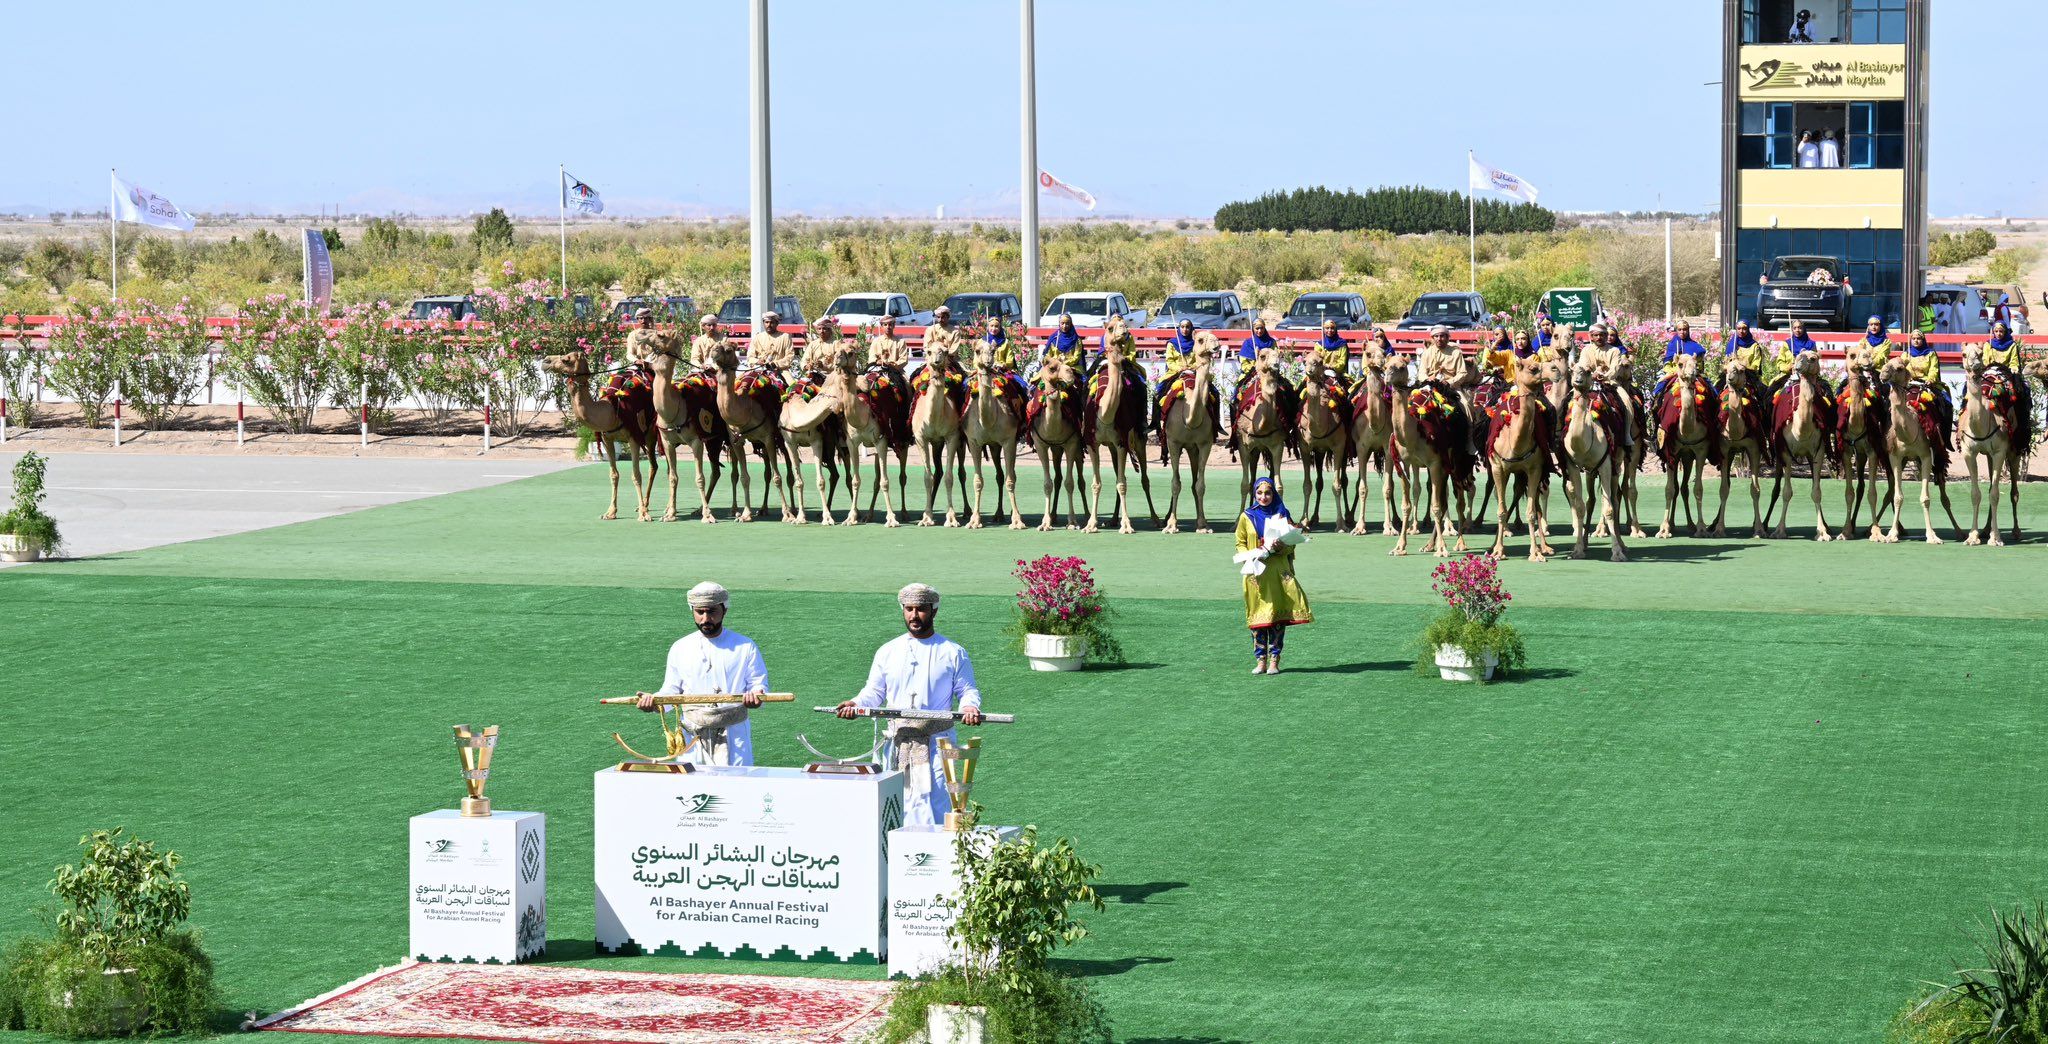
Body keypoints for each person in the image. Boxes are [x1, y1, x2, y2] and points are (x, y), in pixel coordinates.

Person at [835, 583, 984, 827]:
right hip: (898, 743)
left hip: (937, 745)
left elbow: (967, 690)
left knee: (936, 803)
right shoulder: (888, 651)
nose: (914, 615)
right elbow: (873, 692)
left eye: (921, 609)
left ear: (934, 611)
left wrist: (969, 707)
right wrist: (856, 703)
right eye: (909, 609)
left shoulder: (952, 652)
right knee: (896, 803)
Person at [634, 582, 768, 767]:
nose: (706, 619)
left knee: (737, 787)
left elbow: (758, 686)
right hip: (692, 737)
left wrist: (757, 697)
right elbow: (671, 691)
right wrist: (655, 702)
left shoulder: (745, 646)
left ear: (724, 611)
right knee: (694, 789)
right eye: (700, 612)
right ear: (693, 611)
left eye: (712, 611)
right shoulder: (680, 647)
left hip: (734, 735)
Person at [1236, 477, 1312, 676]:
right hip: (1256, 573)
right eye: (1259, 493)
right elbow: (1240, 542)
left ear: (1274, 494)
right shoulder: (1246, 516)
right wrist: (1252, 554)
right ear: (1254, 494)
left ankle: (1274, 661)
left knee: (1276, 619)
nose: (1264, 497)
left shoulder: (1282, 514)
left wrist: (1282, 546)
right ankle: (1260, 660)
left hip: (1277, 571)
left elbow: (1292, 543)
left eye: (1268, 493)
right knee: (1258, 619)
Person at [1901, 327, 1952, 435]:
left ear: (1923, 340)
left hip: (1926, 384)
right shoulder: (1906, 353)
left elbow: (1934, 369)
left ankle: (1942, 432)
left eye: (1918, 338)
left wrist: (1930, 379)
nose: (1916, 340)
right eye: (1913, 338)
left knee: (1944, 402)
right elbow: (1901, 368)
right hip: (1909, 383)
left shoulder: (1931, 353)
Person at [1652, 320, 1706, 403]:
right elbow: (1668, 360)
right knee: (1661, 382)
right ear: (1676, 330)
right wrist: (1671, 369)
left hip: (1691, 372)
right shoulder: (1672, 344)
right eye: (1680, 329)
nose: (1682, 332)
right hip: (1675, 370)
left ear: (1688, 330)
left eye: (1685, 329)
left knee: (1707, 384)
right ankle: (1656, 401)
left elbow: (1700, 359)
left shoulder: (1695, 345)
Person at [746, 310, 795, 390]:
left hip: (780, 370)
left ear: (777, 323)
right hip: (759, 369)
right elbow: (750, 357)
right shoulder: (758, 337)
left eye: (772, 322)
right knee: (742, 385)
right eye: (766, 322)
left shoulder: (785, 337)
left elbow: (790, 356)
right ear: (763, 323)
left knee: (793, 388)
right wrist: (757, 361)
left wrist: (775, 364)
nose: (769, 325)